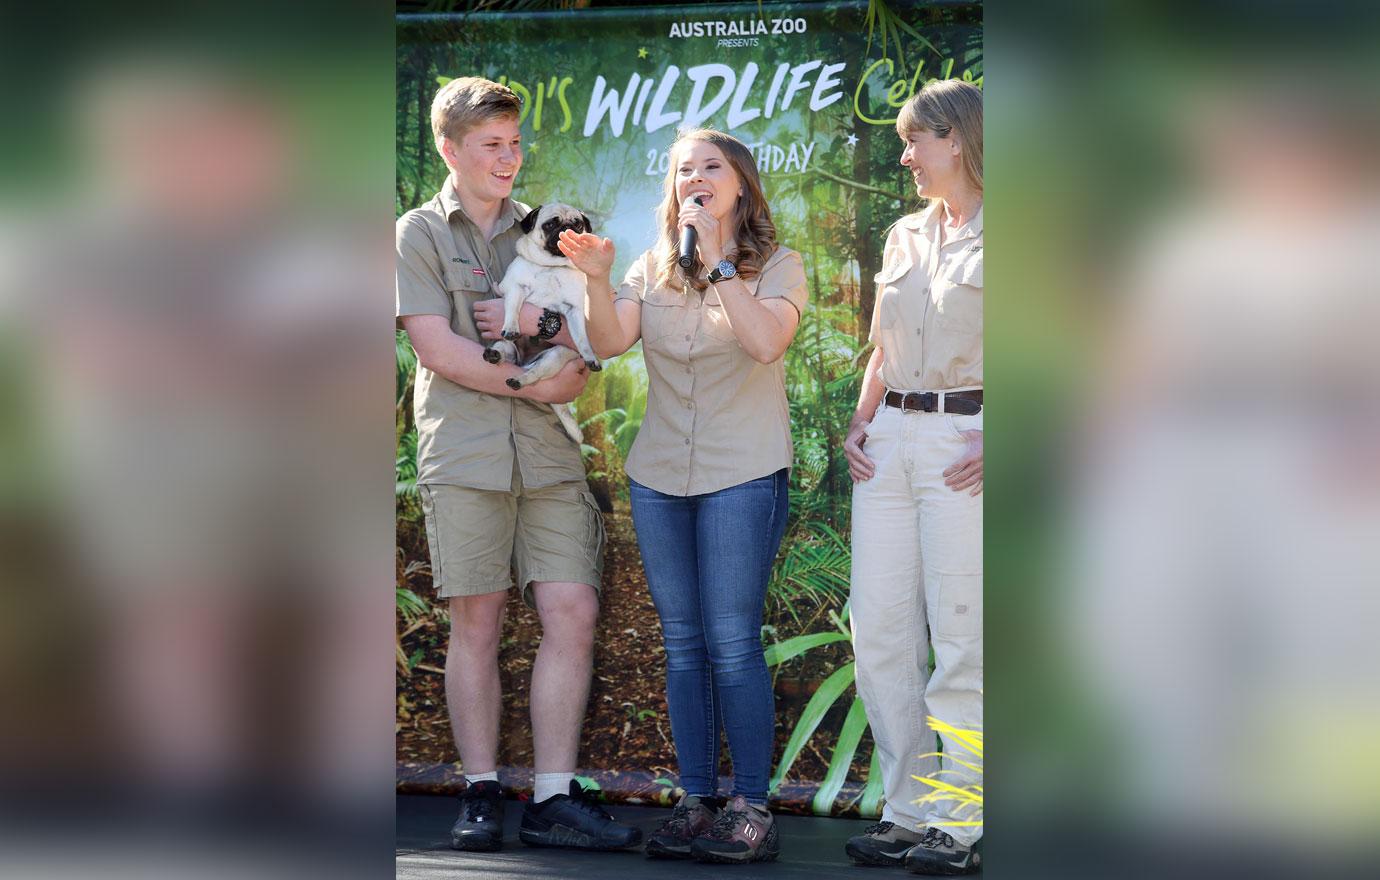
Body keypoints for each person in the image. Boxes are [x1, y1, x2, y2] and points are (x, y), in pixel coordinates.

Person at [395, 76, 640, 853]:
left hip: (552, 455)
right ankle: (479, 790)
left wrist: (547, 334)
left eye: (515, 144)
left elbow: (591, 344)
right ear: (450, 149)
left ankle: (554, 797)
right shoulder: (417, 234)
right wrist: (533, 379)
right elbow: (437, 349)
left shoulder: (549, 229)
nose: (509, 159)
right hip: (464, 452)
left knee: (572, 610)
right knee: (480, 619)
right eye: (492, 146)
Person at [558, 129, 807, 864]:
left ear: (739, 185)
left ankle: (750, 808)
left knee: (732, 643)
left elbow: (765, 344)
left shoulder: (780, 264)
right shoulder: (650, 266)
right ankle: (698, 802)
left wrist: (721, 263)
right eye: (682, 171)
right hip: (661, 476)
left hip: (744, 472)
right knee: (683, 645)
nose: (694, 180)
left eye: (710, 168)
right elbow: (607, 342)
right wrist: (600, 281)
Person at [841, 80, 984, 875]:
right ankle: (908, 811)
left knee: (962, 633)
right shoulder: (904, 235)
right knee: (882, 632)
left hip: (970, 440)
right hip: (891, 438)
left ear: (955, 140)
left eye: (915, 141)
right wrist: (862, 425)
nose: (905, 156)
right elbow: (881, 350)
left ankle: (961, 825)